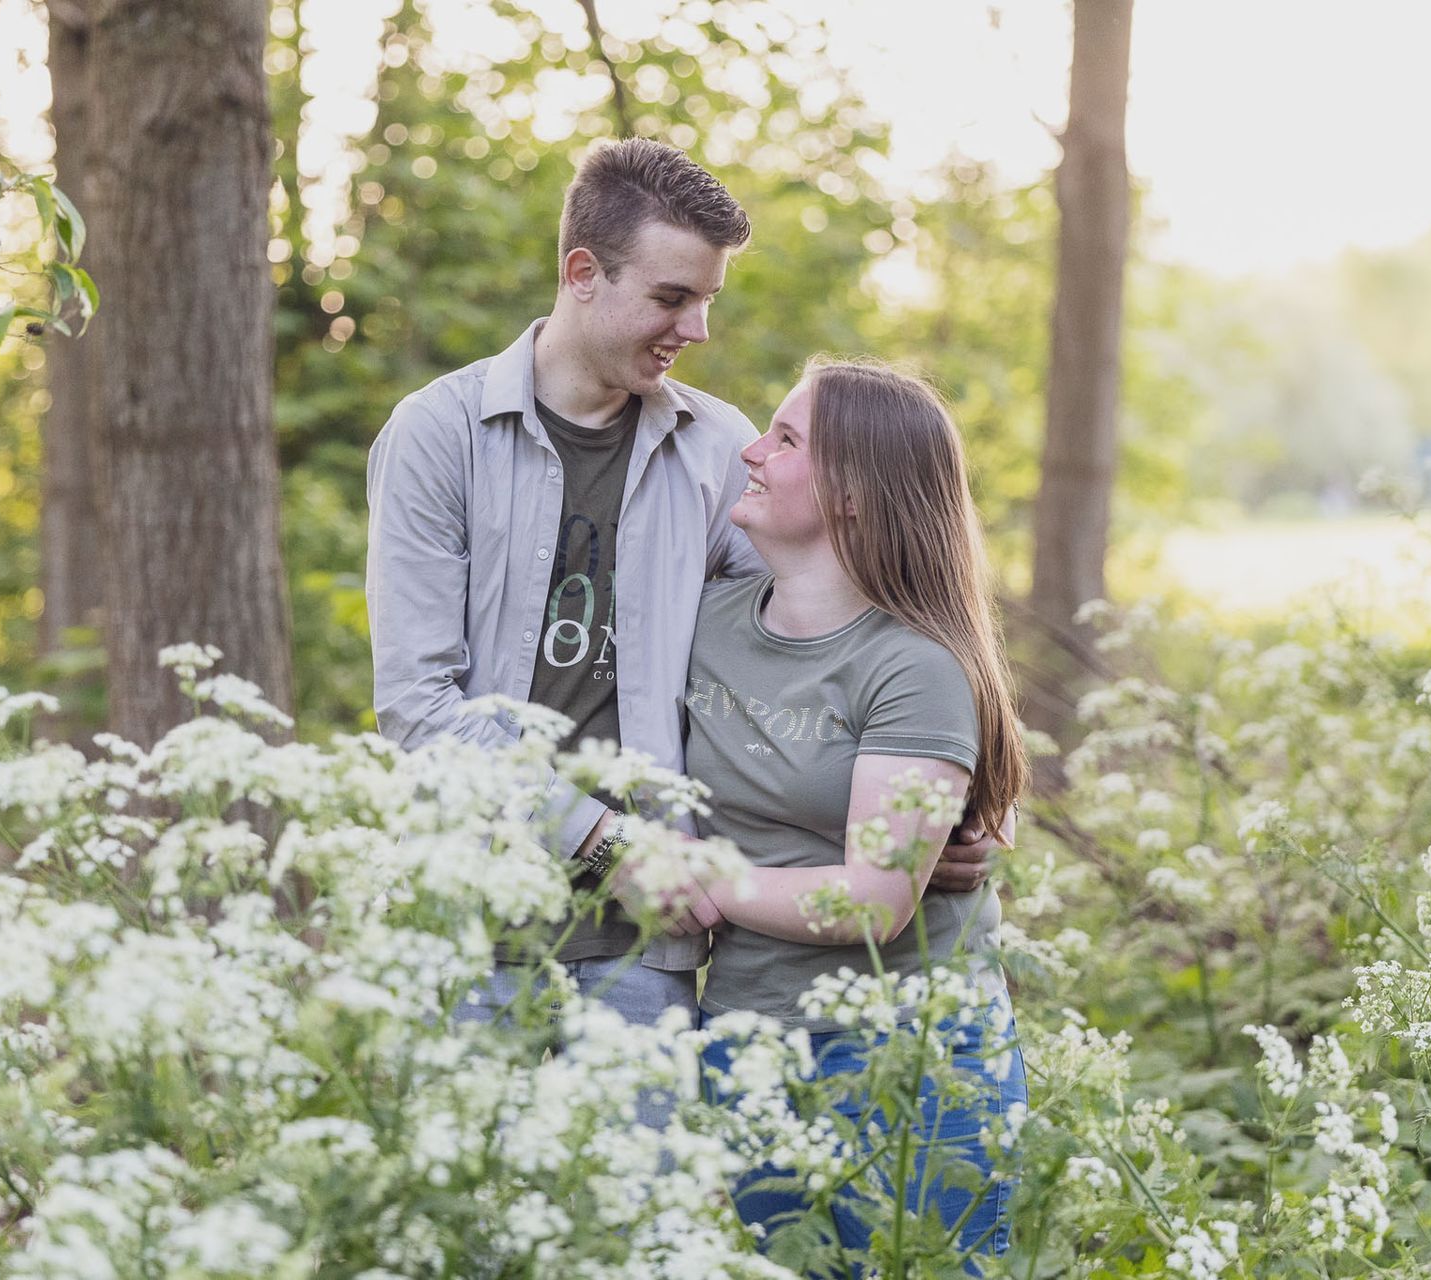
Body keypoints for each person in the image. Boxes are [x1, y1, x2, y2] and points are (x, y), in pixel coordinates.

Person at [366, 139, 1005, 1043]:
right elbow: (421, 709)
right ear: (583, 273)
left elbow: (817, 646)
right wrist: (606, 843)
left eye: (706, 299)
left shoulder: (717, 447)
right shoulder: (441, 435)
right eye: (672, 298)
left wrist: (944, 806)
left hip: (649, 947)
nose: (696, 329)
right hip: (465, 923)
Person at [683, 359, 1028, 1269]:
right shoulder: (705, 622)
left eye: (787, 439)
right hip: (749, 1042)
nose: (753, 451)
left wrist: (708, 880)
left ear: (854, 493)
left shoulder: (912, 665)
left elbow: (875, 902)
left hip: (911, 1054)